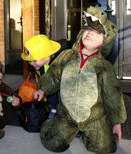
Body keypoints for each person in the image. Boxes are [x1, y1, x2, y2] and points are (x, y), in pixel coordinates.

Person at [33, 6, 127, 153]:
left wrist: (117, 122)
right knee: (51, 142)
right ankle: (55, 123)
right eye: (88, 29)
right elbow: (53, 74)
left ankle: (89, 134)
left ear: (105, 40)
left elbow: (113, 95)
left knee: (105, 148)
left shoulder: (104, 66)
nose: (90, 33)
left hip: (94, 117)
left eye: (97, 32)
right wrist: (42, 88)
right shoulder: (67, 55)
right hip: (66, 114)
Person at [18, 35, 61, 132]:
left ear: (46, 56)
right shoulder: (40, 65)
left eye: (34, 60)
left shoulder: (59, 65)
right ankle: (51, 112)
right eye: (29, 61)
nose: (31, 64)